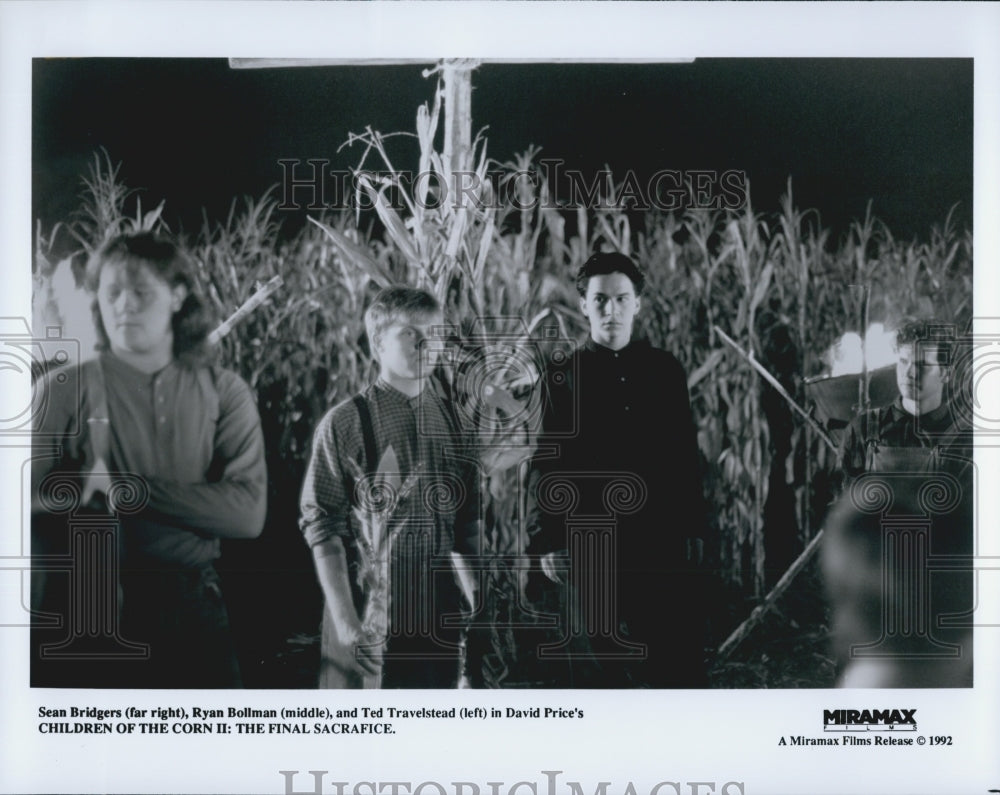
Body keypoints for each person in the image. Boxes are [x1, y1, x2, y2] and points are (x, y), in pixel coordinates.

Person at [31, 231, 267, 688]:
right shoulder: (61, 391)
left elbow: (247, 515)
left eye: (141, 292)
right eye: (112, 292)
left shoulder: (224, 391)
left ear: (178, 296)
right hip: (88, 608)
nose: (123, 305)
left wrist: (123, 490)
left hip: (194, 609)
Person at [526, 251, 710, 688]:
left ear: (637, 304)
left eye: (622, 299)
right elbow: (546, 462)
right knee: (600, 673)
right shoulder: (561, 376)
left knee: (673, 665)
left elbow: (685, 457)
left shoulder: (666, 372)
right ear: (585, 305)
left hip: (659, 540)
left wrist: (694, 529)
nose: (612, 310)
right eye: (601, 300)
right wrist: (546, 538)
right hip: (591, 543)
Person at [299, 286, 481, 689]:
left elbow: (466, 530)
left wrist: (481, 612)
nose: (426, 344)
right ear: (378, 343)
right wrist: (347, 624)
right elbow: (322, 529)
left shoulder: (457, 423)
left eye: (435, 333)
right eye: (410, 333)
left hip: (437, 608)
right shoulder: (344, 424)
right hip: (367, 605)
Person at [829, 317, 973, 687]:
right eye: (905, 362)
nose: (910, 373)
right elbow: (845, 515)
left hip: (942, 594)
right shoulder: (865, 429)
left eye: (923, 365)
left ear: (945, 372)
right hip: (873, 593)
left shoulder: (966, 440)